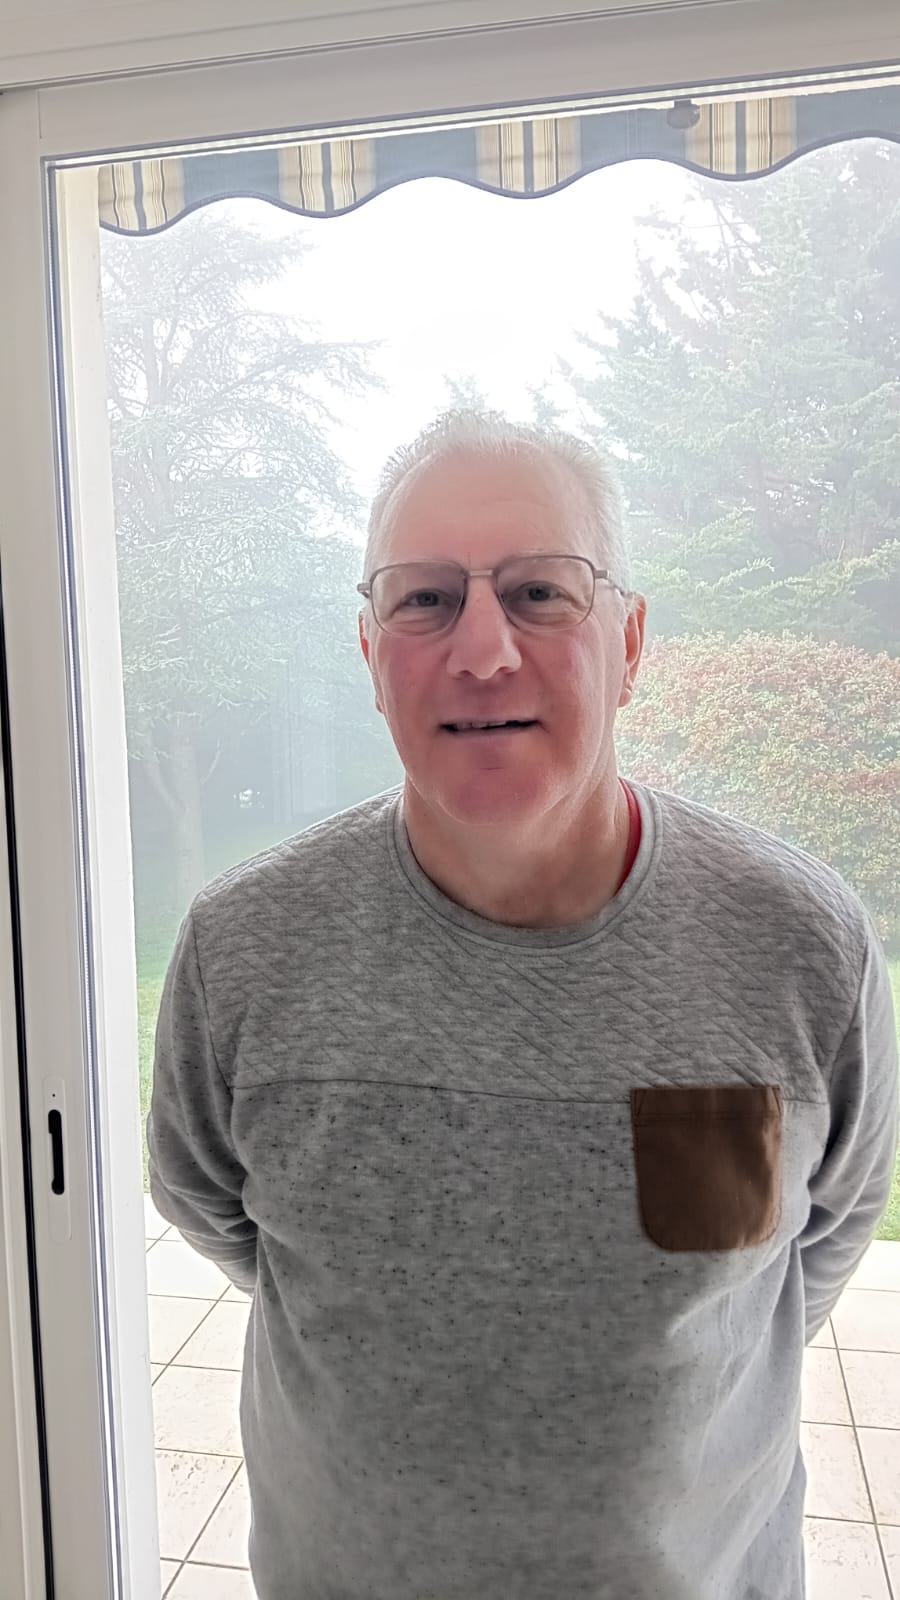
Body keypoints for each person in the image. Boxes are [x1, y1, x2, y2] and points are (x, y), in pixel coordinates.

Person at [148, 409, 899, 1600]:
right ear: (370, 652)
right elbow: (211, 1205)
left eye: (542, 592)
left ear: (630, 642)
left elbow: (818, 1241)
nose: (485, 649)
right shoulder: (241, 949)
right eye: (425, 598)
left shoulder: (802, 948)